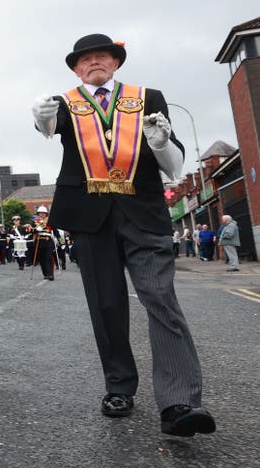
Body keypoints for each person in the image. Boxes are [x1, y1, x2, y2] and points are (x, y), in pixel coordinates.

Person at [32, 33, 214, 437]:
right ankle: (119, 388)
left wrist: (161, 143)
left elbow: (175, 165)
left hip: (143, 212)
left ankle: (179, 401)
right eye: (85, 59)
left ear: (116, 62)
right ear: (76, 69)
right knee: (106, 305)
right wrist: (40, 115)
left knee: (161, 299)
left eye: (102, 56)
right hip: (90, 215)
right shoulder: (66, 103)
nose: (94, 62)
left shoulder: (149, 97)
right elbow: (47, 129)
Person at [29, 205, 58, 281]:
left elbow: (55, 231)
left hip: (48, 241)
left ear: (46, 214)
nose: (42, 214)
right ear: (38, 214)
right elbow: (31, 230)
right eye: (40, 213)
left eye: (43, 213)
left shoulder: (50, 221)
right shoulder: (35, 222)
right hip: (39, 241)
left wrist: (60, 240)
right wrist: (36, 229)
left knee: (49, 258)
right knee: (42, 259)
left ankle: (50, 274)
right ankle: (45, 274)